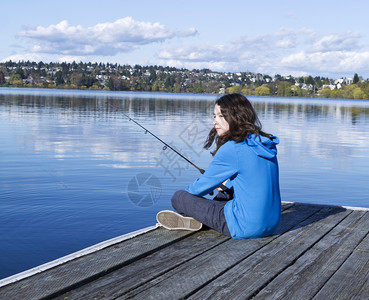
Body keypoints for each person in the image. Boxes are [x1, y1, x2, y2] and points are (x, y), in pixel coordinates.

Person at [156, 93, 281, 239]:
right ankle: (203, 218)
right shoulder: (264, 144)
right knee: (225, 192)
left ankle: (200, 220)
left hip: (245, 227)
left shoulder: (232, 148)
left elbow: (197, 190)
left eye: (221, 116)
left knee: (179, 197)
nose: (215, 121)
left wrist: (190, 199)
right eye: (214, 116)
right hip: (272, 224)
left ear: (236, 116)